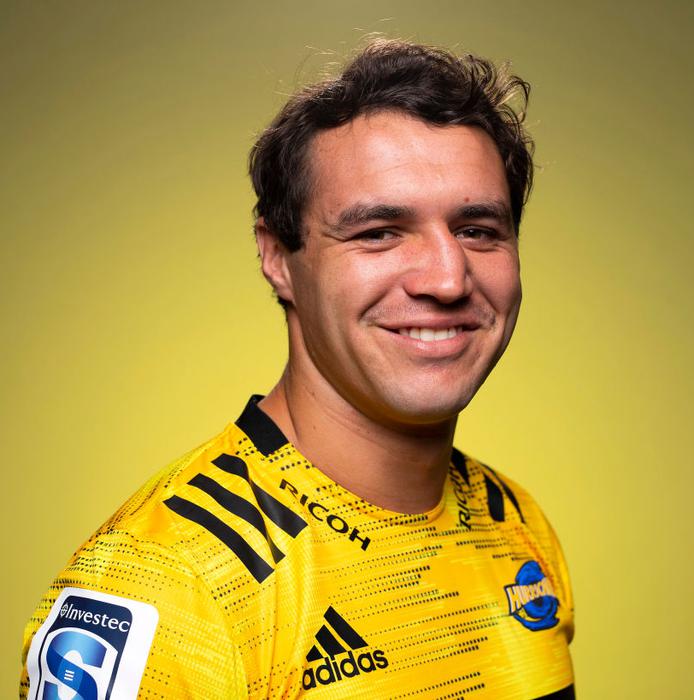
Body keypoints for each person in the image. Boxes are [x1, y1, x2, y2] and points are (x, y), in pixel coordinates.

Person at [20, 39, 575, 699]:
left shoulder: (516, 524)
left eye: (478, 230)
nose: (448, 279)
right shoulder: (164, 586)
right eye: (378, 232)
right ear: (278, 258)